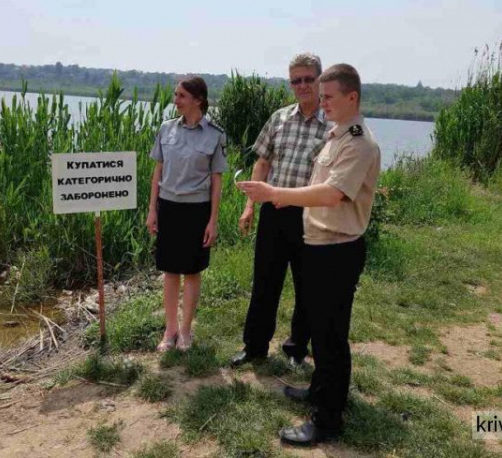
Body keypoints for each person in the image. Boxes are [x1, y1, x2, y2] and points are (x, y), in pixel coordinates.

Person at [238, 63, 381, 445]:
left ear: (352, 97)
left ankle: (327, 421)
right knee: (321, 331)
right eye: (321, 96)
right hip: (320, 244)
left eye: (328, 96)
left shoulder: (358, 142)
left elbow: (332, 194)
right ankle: (321, 392)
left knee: (331, 337)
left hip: (338, 248)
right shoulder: (337, 136)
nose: (323, 102)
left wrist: (275, 194)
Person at [230, 52, 328, 368]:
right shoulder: (280, 118)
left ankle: (297, 348)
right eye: (295, 80)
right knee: (265, 282)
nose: (301, 86)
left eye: (308, 79)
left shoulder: (333, 125)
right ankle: (254, 347)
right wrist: (249, 207)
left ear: (320, 80)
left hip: (310, 215)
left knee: (308, 286)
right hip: (274, 212)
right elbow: (262, 162)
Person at [147, 76, 227, 352]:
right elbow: (157, 171)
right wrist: (152, 211)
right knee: (170, 271)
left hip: (197, 210)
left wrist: (212, 220)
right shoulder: (166, 129)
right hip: (168, 207)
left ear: (198, 100)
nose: (175, 100)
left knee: (192, 272)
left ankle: (186, 332)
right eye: (175, 94)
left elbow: (217, 181)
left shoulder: (215, 135)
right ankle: (169, 332)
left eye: (181, 95)